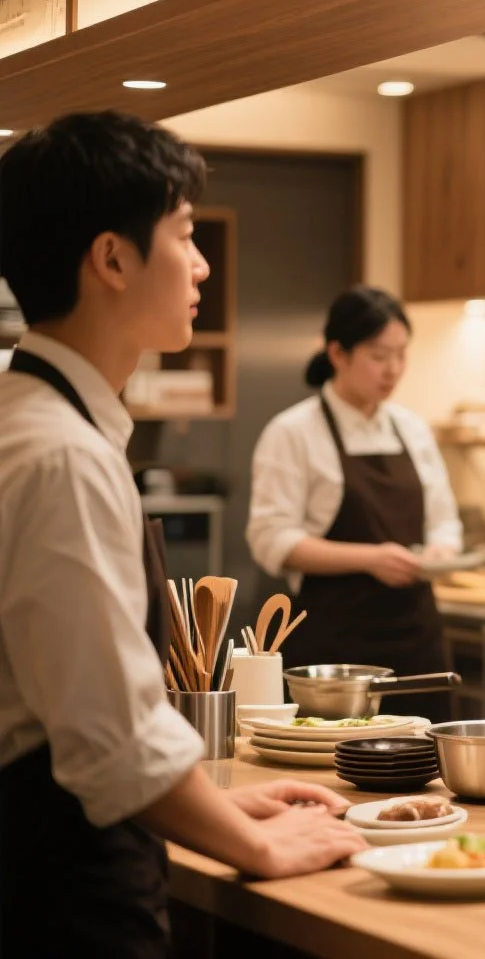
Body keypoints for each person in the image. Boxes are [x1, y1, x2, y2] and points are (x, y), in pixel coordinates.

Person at [0, 111, 366, 959]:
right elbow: (109, 738)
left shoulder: (31, 420)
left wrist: (214, 803)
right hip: (62, 891)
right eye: (184, 233)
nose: (201, 264)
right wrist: (259, 847)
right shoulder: (62, 456)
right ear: (112, 259)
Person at [247, 286, 462, 723]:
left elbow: (445, 521)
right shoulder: (293, 432)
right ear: (338, 353)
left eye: (401, 354)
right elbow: (271, 540)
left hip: (417, 642)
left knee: (427, 758)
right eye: (379, 356)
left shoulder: (413, 429)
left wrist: (440, 551)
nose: (393, 369)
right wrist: (371, 559)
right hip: (336, 653)